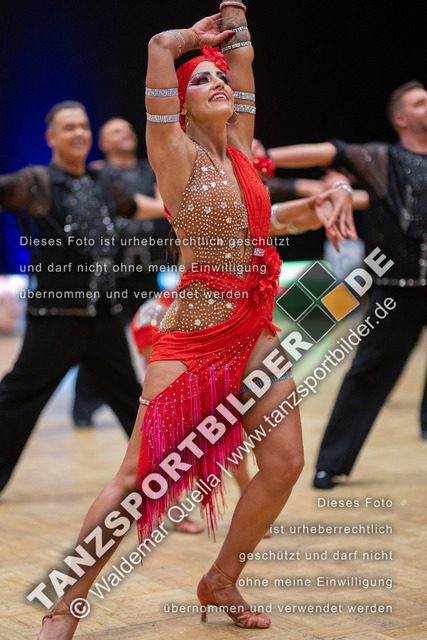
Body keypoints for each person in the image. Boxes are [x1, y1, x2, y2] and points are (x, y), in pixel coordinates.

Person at [37, 6, 353, 637]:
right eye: (202, 79)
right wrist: (191, 40)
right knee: (137, 479)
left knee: (285, 464)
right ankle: (66, 605)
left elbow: (244, 64)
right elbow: (161, 47)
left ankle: (221, 578)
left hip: (256, 330)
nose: (219, 83)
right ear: (178, 105)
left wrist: (321, 201)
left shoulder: (239, 149)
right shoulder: (172, 151)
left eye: (222, 78)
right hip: (194, 335)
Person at [267, 80, 427, 488]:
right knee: (367, 373)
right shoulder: (382, 159)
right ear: (401, 118)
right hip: (397, 287)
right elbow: (330, 152)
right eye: (420, 102)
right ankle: (332, 463)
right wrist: (265, 157)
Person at [0, 101, 158, 493]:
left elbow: (137, 207)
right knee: (15, 400)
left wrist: (186, 210)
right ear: (51, 137)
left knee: (132, 403)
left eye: (84, 126)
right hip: (56, 318)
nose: (79, 133)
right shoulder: (35, 182)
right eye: (69, 127)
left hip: (103, 318)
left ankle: (163, 485)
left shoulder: (102, 180)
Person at [72, 117, 169, 428]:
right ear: (103, 143)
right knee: (104, 342)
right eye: (116, 130)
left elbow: (169, 204)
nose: (125, 133)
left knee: (158, 338)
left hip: (147, 271)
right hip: (110, 276)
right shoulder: (98, 174)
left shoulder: (151, 170)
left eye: (128, 129)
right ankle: (84, 409)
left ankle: (161, 400)